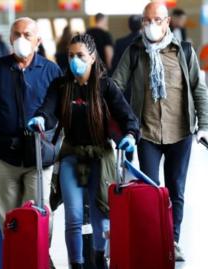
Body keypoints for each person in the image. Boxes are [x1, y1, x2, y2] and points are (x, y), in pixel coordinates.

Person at [30, 33, 139, 269]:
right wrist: (40, 117)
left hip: (101, 156)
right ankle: (76, 264)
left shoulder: (105, 86)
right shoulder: (61, 86)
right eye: (70, 56)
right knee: (74, 216)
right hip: (71, 155)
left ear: (92, 57)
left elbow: (127, 116)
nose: (74, 60)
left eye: (80, 55)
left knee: (101, 215)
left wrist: (131, 135)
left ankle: (100, 259)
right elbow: (47, 108)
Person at [112, 2, 208, 262]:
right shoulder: (134, 52)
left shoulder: (184, 51)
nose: (151, 25)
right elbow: (116, 87)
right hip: (147, 133)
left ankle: (173, 240)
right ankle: (154, 239)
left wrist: (205, 127)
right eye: (146, 20)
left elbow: (199, 89)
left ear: (167, 22)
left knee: (176, 189)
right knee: (150, 189)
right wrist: (121, 124)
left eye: (156, 20)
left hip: (180, 131)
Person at [0, 17, 62, 268]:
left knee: (40, 213)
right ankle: (16, 259)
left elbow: (60, 112)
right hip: (2, 155)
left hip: (39, 156)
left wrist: (57, 145)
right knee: (8, 217)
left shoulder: (51, 71)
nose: (22, 39)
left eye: (27, 35)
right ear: (10, 38)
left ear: (38, 41)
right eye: (17, 34)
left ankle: (41, 256)